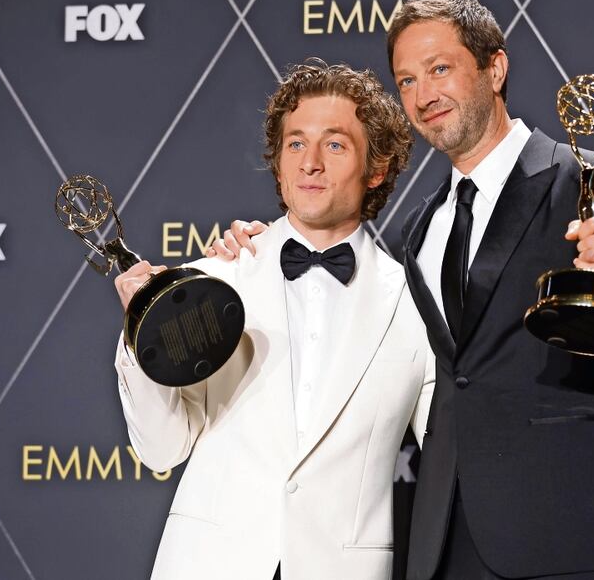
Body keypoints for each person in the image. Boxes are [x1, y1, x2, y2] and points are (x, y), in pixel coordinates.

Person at [222, 0, 594, 580]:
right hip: (446, 546)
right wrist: (255, 252)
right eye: (407, 79)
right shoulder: (420, 228)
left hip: (570, 538)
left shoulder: (589, 181)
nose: (423, 95)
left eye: (440, 68)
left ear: (495, 68)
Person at [113, 61, 435, 580]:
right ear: (279, 164)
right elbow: (160, 449)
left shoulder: (415, 305)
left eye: (335, 145)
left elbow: (454, 454)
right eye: (295, 144)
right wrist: (140, 334)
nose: (310, 163)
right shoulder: (212, 278)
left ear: (376, 168)